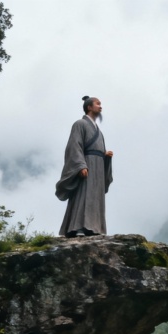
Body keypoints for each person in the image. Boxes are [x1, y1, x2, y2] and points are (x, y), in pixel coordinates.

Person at [55, 96, 114, 237]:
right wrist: (81, 165)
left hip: (98, 166)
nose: (101, 106)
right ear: (89, 107)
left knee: (95, 196)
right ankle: (78, 227)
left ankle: (93, 228)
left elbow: (96, 148)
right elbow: (74, 146)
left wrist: (105, 156)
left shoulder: (98, 130)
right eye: (98, 104)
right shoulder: (80, 124)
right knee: (83, 194)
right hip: (86, 164)